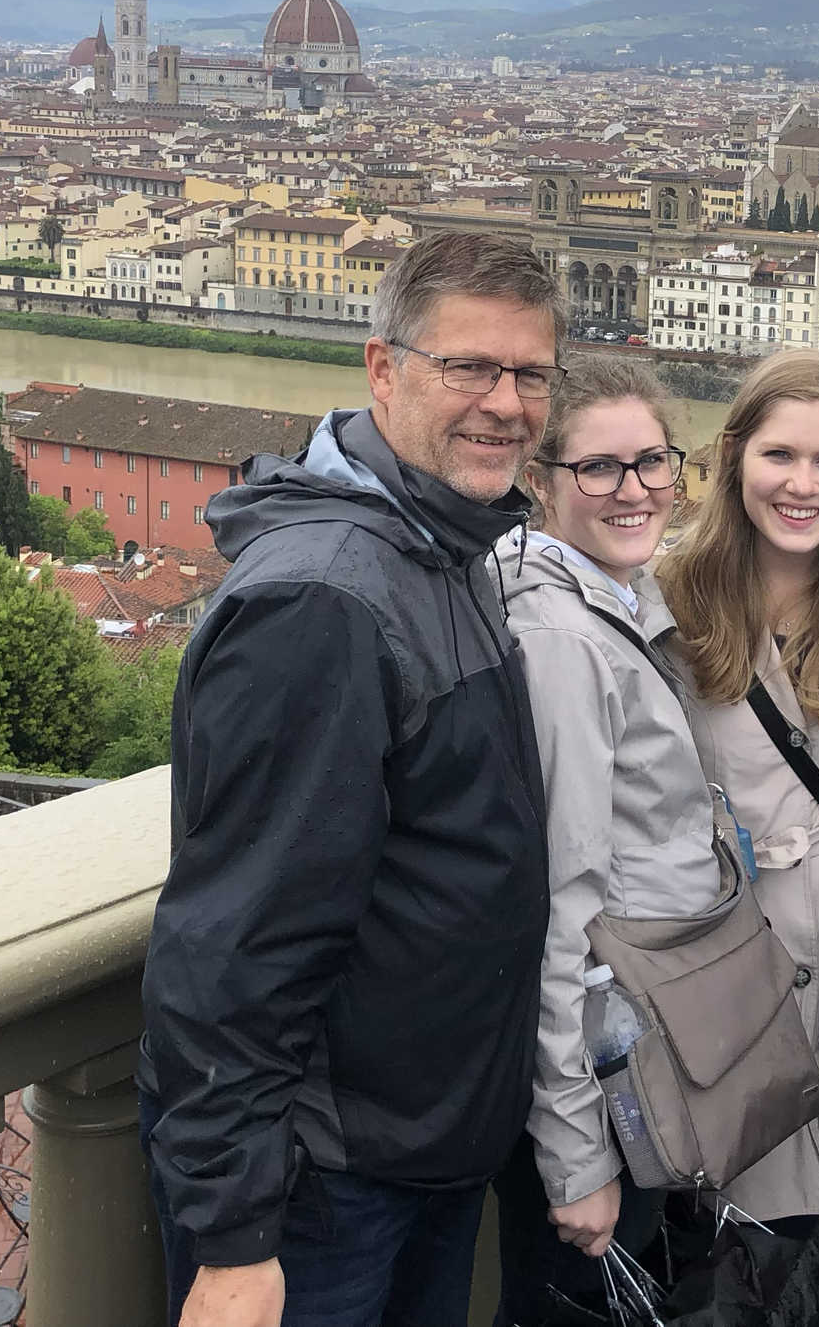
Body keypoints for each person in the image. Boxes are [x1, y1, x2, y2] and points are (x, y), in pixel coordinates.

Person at [140, 231, 566, 1327]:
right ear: (383, 369)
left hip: (413, 1147)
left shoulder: (438, 546)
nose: (505, 403)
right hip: (325, 1184)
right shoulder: (327, 600)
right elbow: (235, 943)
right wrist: (235, 1242)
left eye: (529, 374)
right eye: (468, 367)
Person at [656, 350, 819, 1233]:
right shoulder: (662, 601)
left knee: (802, 1256)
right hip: (706, 999)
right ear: (732, 456)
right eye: (780, 455)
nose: (803, 485)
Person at [489, 354, 709, 1324]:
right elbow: (558, 913)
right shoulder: (563, 645)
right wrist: (576, 1154)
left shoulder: (610, 600)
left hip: (635, 1053)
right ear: (539, 482)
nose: (635, 491)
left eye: (652, 463)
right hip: (601, 1081)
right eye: (600, 469)